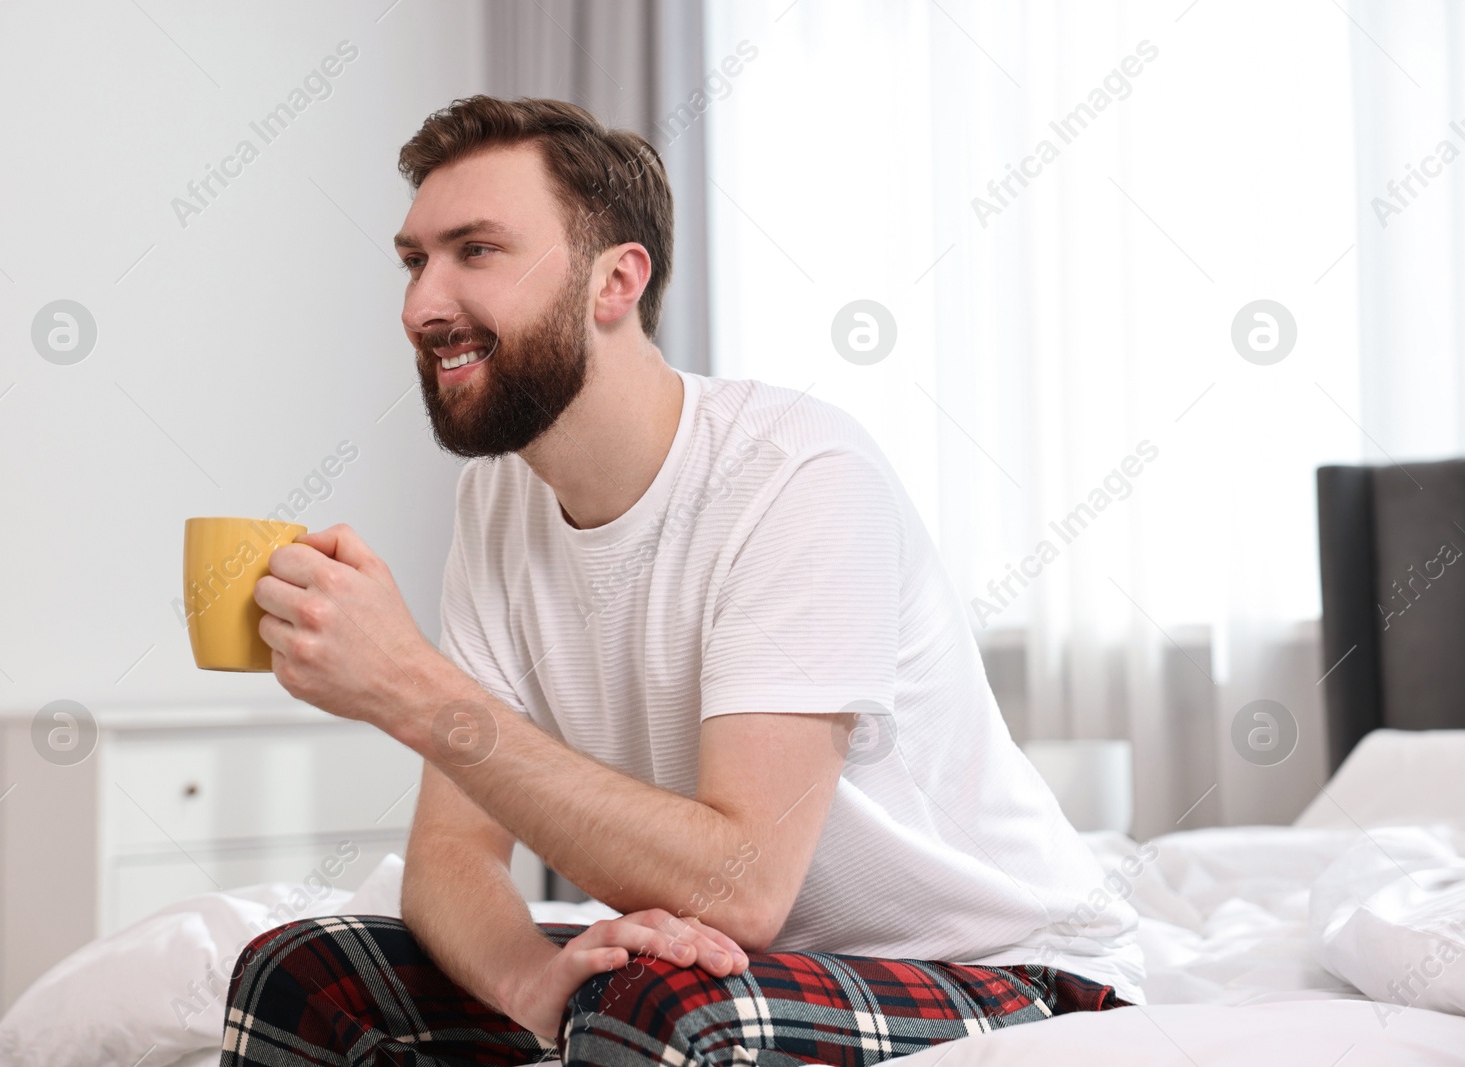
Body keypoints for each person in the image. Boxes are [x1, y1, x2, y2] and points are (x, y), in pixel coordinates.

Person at [220, 94, 1142, 1067]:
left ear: (614, 280)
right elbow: (453, 859)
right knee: (303, 968)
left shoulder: (794, 473)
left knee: (657, 998)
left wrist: (408, 683)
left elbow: (741, 884)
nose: (421, 305)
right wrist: (535, 988)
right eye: (415, 260)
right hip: (741, 962)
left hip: (1007, 969)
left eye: (475, 251)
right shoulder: (496, 504)